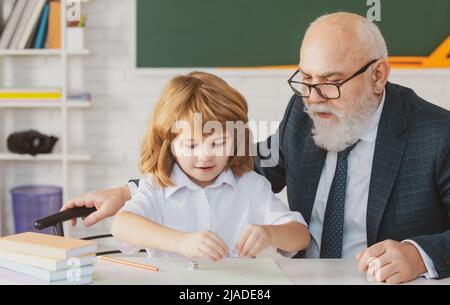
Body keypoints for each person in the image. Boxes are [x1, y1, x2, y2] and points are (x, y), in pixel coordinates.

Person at [63, 13, 450, 283]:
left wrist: (420, 255)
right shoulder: (303, 111)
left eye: (330, 83)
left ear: (378, 75)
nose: (313, 99)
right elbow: (240, 165)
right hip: (303, 278)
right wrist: (127, 191)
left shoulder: (436, 134)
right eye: (306, 80)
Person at [110, 71, 310, 260]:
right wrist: (182, 242)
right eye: (191, 145)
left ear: (237, 139)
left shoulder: (250, 185)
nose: (205, 155)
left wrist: (270, 234)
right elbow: (121, 225)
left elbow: (300, 236)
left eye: (218, 143)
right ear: (168, 144)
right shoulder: (157, 186)